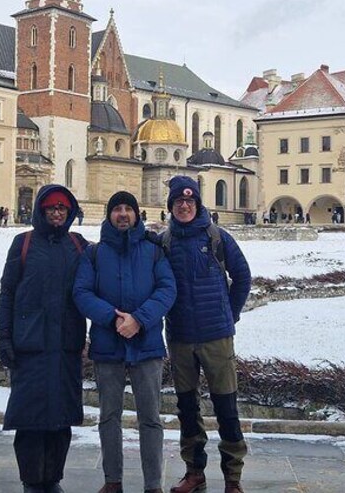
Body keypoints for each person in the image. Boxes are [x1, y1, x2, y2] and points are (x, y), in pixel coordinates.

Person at [74, 192, 176, 493]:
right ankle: (112, 480)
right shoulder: (94, 253)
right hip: (108, 344)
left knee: (151, 418)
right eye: (117, 209)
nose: (122, 214)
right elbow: (81, 293)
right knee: (109, 416)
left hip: (146, 346)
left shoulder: (153, 251)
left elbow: (167, 289)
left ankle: (153, 484)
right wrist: (112, 318)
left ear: (137, 214)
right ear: (109, 215)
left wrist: (139, 319)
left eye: (128, 209)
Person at [160, 176, 252, 493]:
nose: (184, 206)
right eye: (178, 202)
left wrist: (232, 312)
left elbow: (242, 276)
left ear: (198, 204)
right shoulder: (164, 242)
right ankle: (194, 472)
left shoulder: (217, 237)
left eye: (190, 201)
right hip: (181, 337)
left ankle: (232, 477)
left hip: (216, 336)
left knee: (226, 408)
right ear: (171, 206)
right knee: (187, 409)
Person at [0, 185, 88, 493]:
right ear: (41, 211)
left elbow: (109, 263)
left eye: (62, 208)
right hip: (30, 345)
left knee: (60, 419)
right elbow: (8, 292)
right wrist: (4, 337)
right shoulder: (23, 244)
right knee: (31, 420)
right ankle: (32, 481)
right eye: (51, 209)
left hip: (65, 345)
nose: (57, 213)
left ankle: (53, 479)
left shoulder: (78, 245)